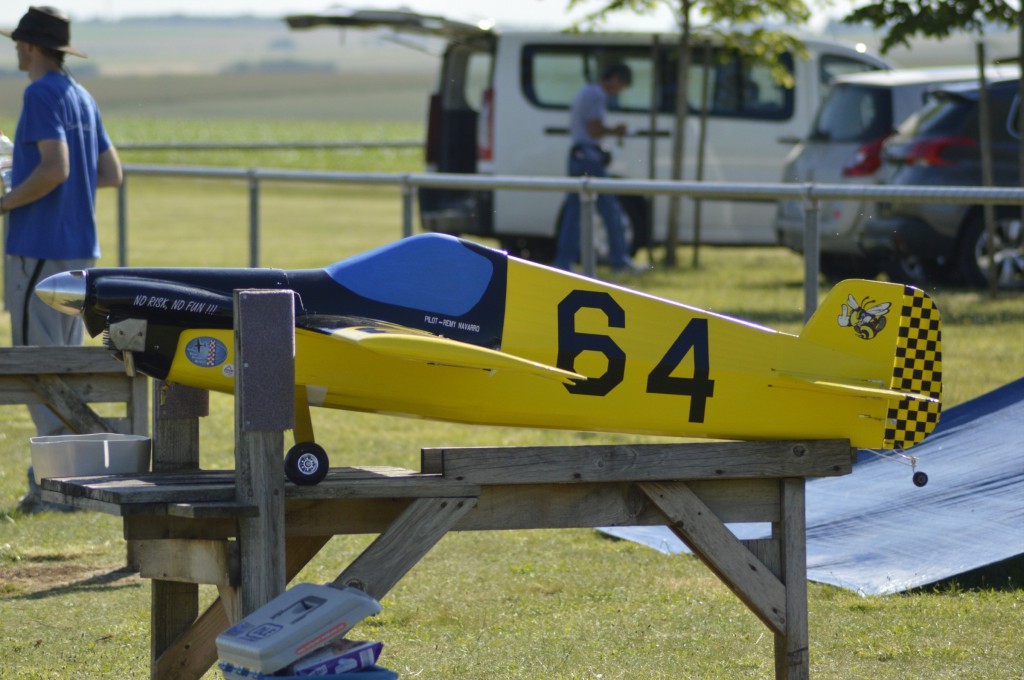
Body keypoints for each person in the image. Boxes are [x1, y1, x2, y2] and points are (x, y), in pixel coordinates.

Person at [1, 6, 122, 511]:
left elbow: (55, 169)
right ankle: (81, 477)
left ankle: (57, 490)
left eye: (17, 43)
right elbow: (111, 171)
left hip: (39, 248)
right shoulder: (81, 94)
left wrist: (6, 199)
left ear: (30, 47)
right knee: (68, 367)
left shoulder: (40, 92)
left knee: (38, 369)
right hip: (80, 253)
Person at [554, 62, 646, 274]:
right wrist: (616, 131)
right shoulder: (596, 95)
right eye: (621, 85)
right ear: (614, 78)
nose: (619, 91)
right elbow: (594, 129)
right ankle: (620, 260)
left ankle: (563, 262)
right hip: (589, 158)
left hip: (578, 155)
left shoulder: (586, 92)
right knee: (610, 208)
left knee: (574, 211)